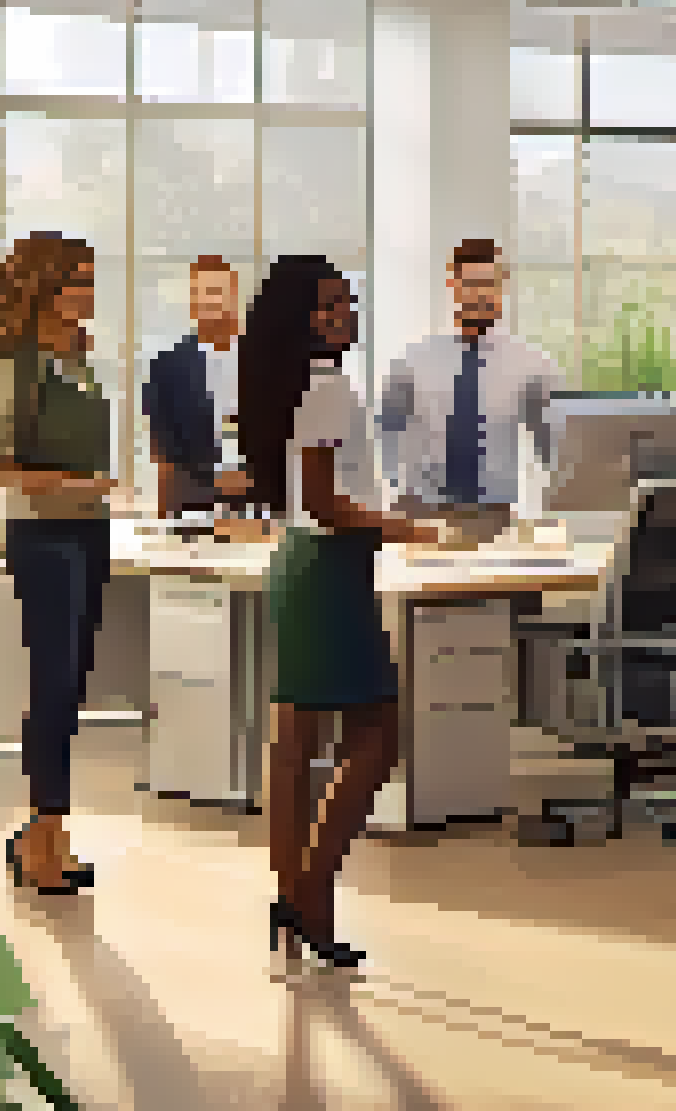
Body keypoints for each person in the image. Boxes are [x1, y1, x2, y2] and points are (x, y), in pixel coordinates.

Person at [240, 256, 439, 970]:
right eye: (324, 306)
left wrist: (379, 520)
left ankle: (296, 896)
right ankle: (310, 891)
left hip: (303, 562)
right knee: (379, 737)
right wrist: (402, 527)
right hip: (328, 569)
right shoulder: (328, 388)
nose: (340, 315)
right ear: (298, 319)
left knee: (294, 743)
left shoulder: (299, 385)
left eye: (345, 302)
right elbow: (326, 500)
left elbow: (311, 499)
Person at [0, 232, 118, 895]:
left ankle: (45, 835)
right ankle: (42, 843)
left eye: (89, 279)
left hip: (89, 534)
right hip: (43, 536)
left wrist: (95, 495)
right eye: (75, 281)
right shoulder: (9, 362)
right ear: (41, 286)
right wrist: (74, 483)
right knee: (51, 686)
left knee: (73, 686)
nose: (86, 293)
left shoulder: (80, 359)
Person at [375, 239, 561, 547]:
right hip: (419, 513)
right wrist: (394, 498)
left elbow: (554, 448)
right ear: (453, 286)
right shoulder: (411, 363)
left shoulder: (533, 365)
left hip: (491, 516)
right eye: (471, 284)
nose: (481, 295)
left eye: (489, 284)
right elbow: (385, 437)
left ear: (503, 288)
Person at [143, 256, 251, 519]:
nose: (211, 302)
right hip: (191, 506)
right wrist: (166, 517)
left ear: (234, 295)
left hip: (259, 503)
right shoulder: (165, 366)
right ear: (192, 302)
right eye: (202, 294)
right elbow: (163, 452)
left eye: (218, 292)